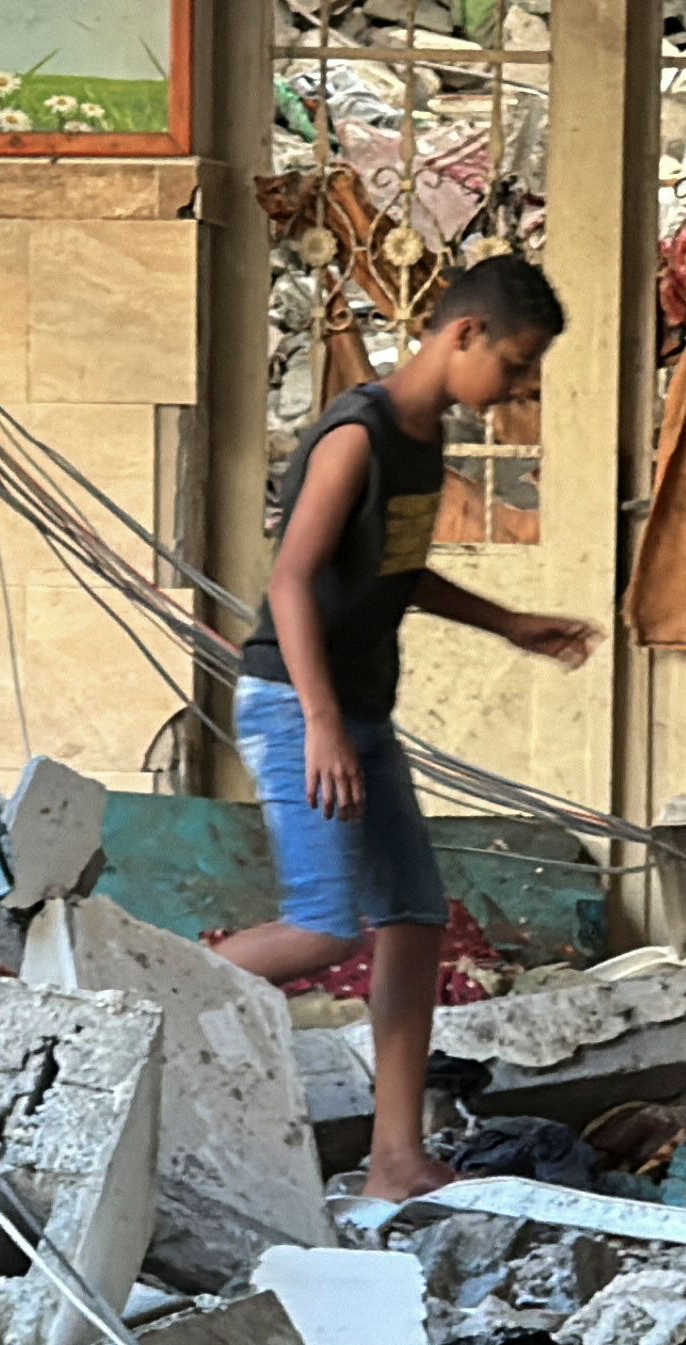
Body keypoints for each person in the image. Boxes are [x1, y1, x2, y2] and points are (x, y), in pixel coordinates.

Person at [210, 258, 598, 1200]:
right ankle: (124, 990)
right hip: (295, 706)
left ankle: (395, 1159)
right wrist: (321, 724)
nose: (519, 388)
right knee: (318, 927)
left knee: (414, 918)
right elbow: (292, 580)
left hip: (359, 715)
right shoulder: (360, 434)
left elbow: (397, 575)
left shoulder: (424, 444)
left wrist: (510, 624)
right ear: (461, 334)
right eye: (515, 365)